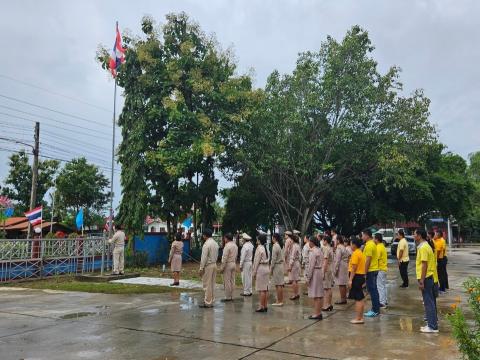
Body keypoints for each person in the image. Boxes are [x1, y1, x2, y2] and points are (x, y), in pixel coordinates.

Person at [414, 229, 439, 333]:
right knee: (430, 302)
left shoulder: (423, 247)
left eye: (414, 234)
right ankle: (431, 324)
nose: (413, 236)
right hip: (430, 277)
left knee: (428, 302)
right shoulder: (426, 246)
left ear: (419, 236)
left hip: (427, 278)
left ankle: (432, 326)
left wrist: (422, 281)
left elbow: (424, 264)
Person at [199, 228, 219, 308]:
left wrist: (201, 268)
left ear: (204, 235)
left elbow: (203, 258)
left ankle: (207, 302)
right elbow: (217, 255)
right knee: (212, 284)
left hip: (208, 266)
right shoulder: (215, 243)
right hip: (214, 264)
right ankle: (211, 301)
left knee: (207, 284)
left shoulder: (206, 244)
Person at [348, 237, 366, 324]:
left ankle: (358, 318)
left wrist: (350, 280)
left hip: (357, 277)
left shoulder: (355, 253)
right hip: (360, 276)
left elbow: (354, 268)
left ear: (354, 245)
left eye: (351, 244)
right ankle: (360, 317)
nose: (350, 246)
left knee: (358, 298)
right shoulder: (360, 252)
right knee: (360, 298)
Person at [362, 229, 380, 318]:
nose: (362, 237)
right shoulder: (371, 244)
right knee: (374, 290)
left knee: (372, 291)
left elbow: (367, 260)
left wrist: (364, 273)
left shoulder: (369, 245)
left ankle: (375, 310)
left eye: (363, 235)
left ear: (367, 236)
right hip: (373, 270)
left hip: (371, 270)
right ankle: (375, 309)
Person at [306, 235, 324, 320]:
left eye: (309, 241)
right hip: (319, 271)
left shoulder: (313, 252)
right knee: (319, 295)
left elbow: (311, 266)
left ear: (312, 242)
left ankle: (316, 314)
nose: (308, 243)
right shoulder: (319, 250)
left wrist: (308, 278)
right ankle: (319, 312)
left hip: (315, 272)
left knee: (316, 295)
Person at [253, 233, 270, 312]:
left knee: (261, 289)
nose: (257, 240)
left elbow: (256, 261)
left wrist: (254, 272)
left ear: (259, 240)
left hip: (261, 268)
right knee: (265, 289)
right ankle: (265, 305)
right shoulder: (266, 248)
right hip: (266, 267)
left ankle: (261, 306)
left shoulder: (259, 248)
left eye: (257, 239)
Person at [220, 233, 238, 302]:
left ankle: (227, 297)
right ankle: (232, 296)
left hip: (227, 264)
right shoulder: (235, 245)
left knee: (227, 281)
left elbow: (224, 258)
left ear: (227, 238)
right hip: (233, 263)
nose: (224, 240)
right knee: (232, 281)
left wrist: (222, 267)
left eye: (224, 238)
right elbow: (236, 256)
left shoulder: (227, 246)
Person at [270, 233, 285, 306]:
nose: (272, 239)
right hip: (281, 265)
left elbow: (273, 259)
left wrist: (271, 268)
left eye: (272, 238)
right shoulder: (281, 245)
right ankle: (280, 300)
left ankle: (279, 301)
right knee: (280, 284)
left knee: (278, 285)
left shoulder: (275, 246)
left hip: (277, 266)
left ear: (274, 238)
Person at [334, 235, 349, 305]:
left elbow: (337, 260)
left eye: (335, 240)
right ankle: (344, 298)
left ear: (338, 241)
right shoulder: (344, 247)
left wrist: (335, 270)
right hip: (345, 265)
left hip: (341, 266)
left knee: (341, 284)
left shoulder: (339, 248)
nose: (334, 241)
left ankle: (343, 299)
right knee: (343, 283)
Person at [375, 233, 388, 308]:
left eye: (374, 238)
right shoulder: (382, 246)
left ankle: (382, 302)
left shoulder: (379, 247)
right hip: (383, 268)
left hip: (380, 269)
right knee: (383, 286)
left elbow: (376, 258)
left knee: (380, 286)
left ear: (376, 239)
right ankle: (384, 301)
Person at [322, 236, 334, 311]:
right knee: (329, 287)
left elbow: (325, 261)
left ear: (326, 241)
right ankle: (329, 304)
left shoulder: (326, 248)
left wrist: (323, 272)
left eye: (323, 240)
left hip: (327, 269)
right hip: (330, 268)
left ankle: (326, 305)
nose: (323, 242)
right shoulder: (330, 248)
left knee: (326, 288)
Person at [288, 233, 301, 300]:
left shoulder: (294, 246)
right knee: (296, 280)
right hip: (297, 263)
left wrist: (290, 266)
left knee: (293, 280)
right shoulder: (297, 245)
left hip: (294, 263)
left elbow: (292, 256)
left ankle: (295, 294)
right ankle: (297, 293)